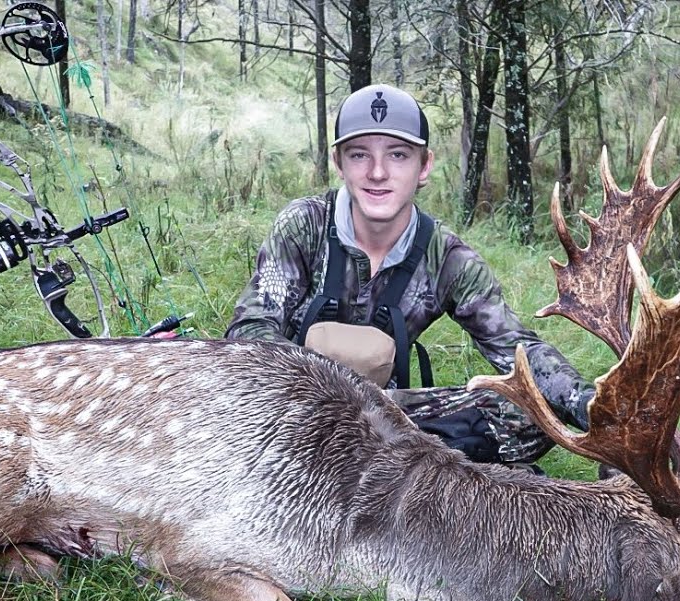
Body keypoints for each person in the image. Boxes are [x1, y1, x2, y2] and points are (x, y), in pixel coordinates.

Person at [226, 84, 594, 465]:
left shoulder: (447, 257)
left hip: (389, 414)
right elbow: (250, 331)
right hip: (290, 407)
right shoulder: (305, 225)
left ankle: (372, 457)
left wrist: (591, 406)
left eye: (398, 155)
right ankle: (400, 463)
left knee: (528, 413)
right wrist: (332, 393)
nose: (378, 172)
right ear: (338, 163)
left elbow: (517, 349)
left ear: (425, 166)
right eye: (359, 155)